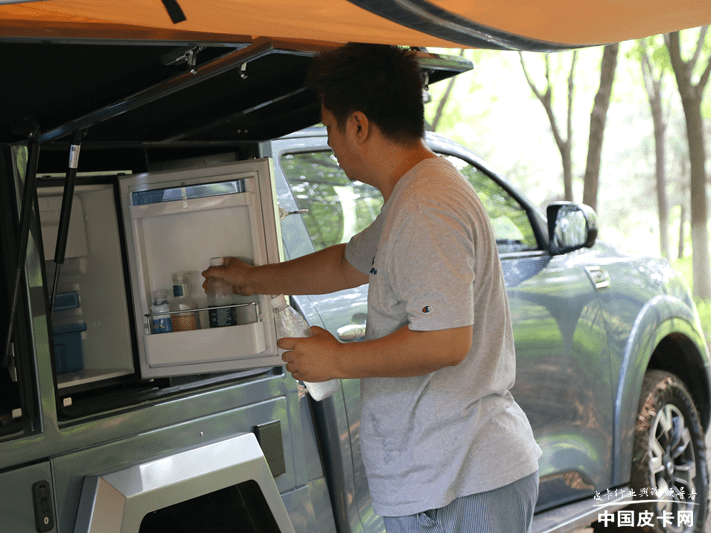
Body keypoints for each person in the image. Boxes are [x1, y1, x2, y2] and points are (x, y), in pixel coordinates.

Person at [202, 43, 542, 533]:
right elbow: (345, 262)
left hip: (460, 484)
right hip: (443, 484)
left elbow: (447, 340)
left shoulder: (427, 208)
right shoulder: (415, 195)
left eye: (328, 128)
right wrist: (251, 279)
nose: (330, 144)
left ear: (358, 125)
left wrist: (337, 360)